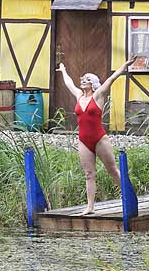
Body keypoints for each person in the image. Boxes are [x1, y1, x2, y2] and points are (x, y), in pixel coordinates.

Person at [57, 56, 138, 215]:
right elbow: (69, 84)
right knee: (89, 174)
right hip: (83, 140)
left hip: (99, 138)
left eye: (86, 79)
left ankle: (128, 197)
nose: (82, 81)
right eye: (83, 79)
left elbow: (112, 78)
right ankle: (90, 207)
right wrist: (63, 71)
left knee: (113, 170)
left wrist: (125, 65)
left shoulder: (98, 95)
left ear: (92, 83)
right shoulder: (79, 95)